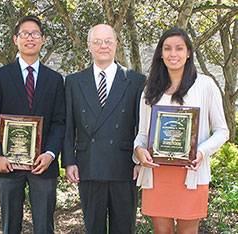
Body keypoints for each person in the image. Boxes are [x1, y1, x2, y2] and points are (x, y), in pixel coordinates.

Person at [133, 27, 229, 233]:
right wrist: (138, 151)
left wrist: (201, 152)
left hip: (191, 174)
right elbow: (142, 134)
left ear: (189, 53)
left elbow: (223, 131)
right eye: (167, 48)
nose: (173, 54)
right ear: (160, 53)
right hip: (157, 174)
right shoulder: (150, 88)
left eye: (179, 48)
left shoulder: (205, 85)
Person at [0, 15, 65, 234]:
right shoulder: (1, 76)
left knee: (44, 227)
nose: (30, 38)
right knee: (10, 226)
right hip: (7, 165)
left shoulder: (55, 79)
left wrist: (50, 153)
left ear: (43, 40)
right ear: (15, 39)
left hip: (43, 166)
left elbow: (59, 122)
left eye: (35, 33)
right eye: (25, 34)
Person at [62, 24, 145, 234]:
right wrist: (69, 161)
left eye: (108, 41)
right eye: (97, 42)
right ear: (89, 46)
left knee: (124, 228)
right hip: (88, 164)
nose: (103, 46)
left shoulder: (135, 80)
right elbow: (68, 125)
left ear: (116, 43)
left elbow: (142, 125)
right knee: (93, 228)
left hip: (125, 166)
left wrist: (139, 161)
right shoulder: (73, 81)